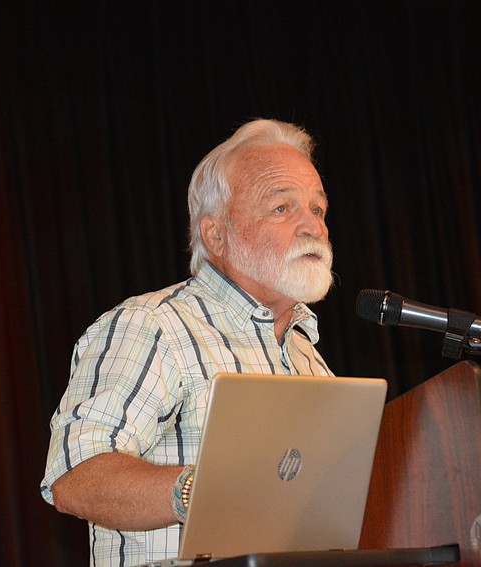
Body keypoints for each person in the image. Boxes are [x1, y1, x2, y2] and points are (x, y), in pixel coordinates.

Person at [40, 119, 335, 566]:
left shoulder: (306, 354)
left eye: (317, 209)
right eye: (282, 208)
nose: (312, 226)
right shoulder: (154, 326)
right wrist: (201, 490)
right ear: (216, 235)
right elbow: (75, 476)